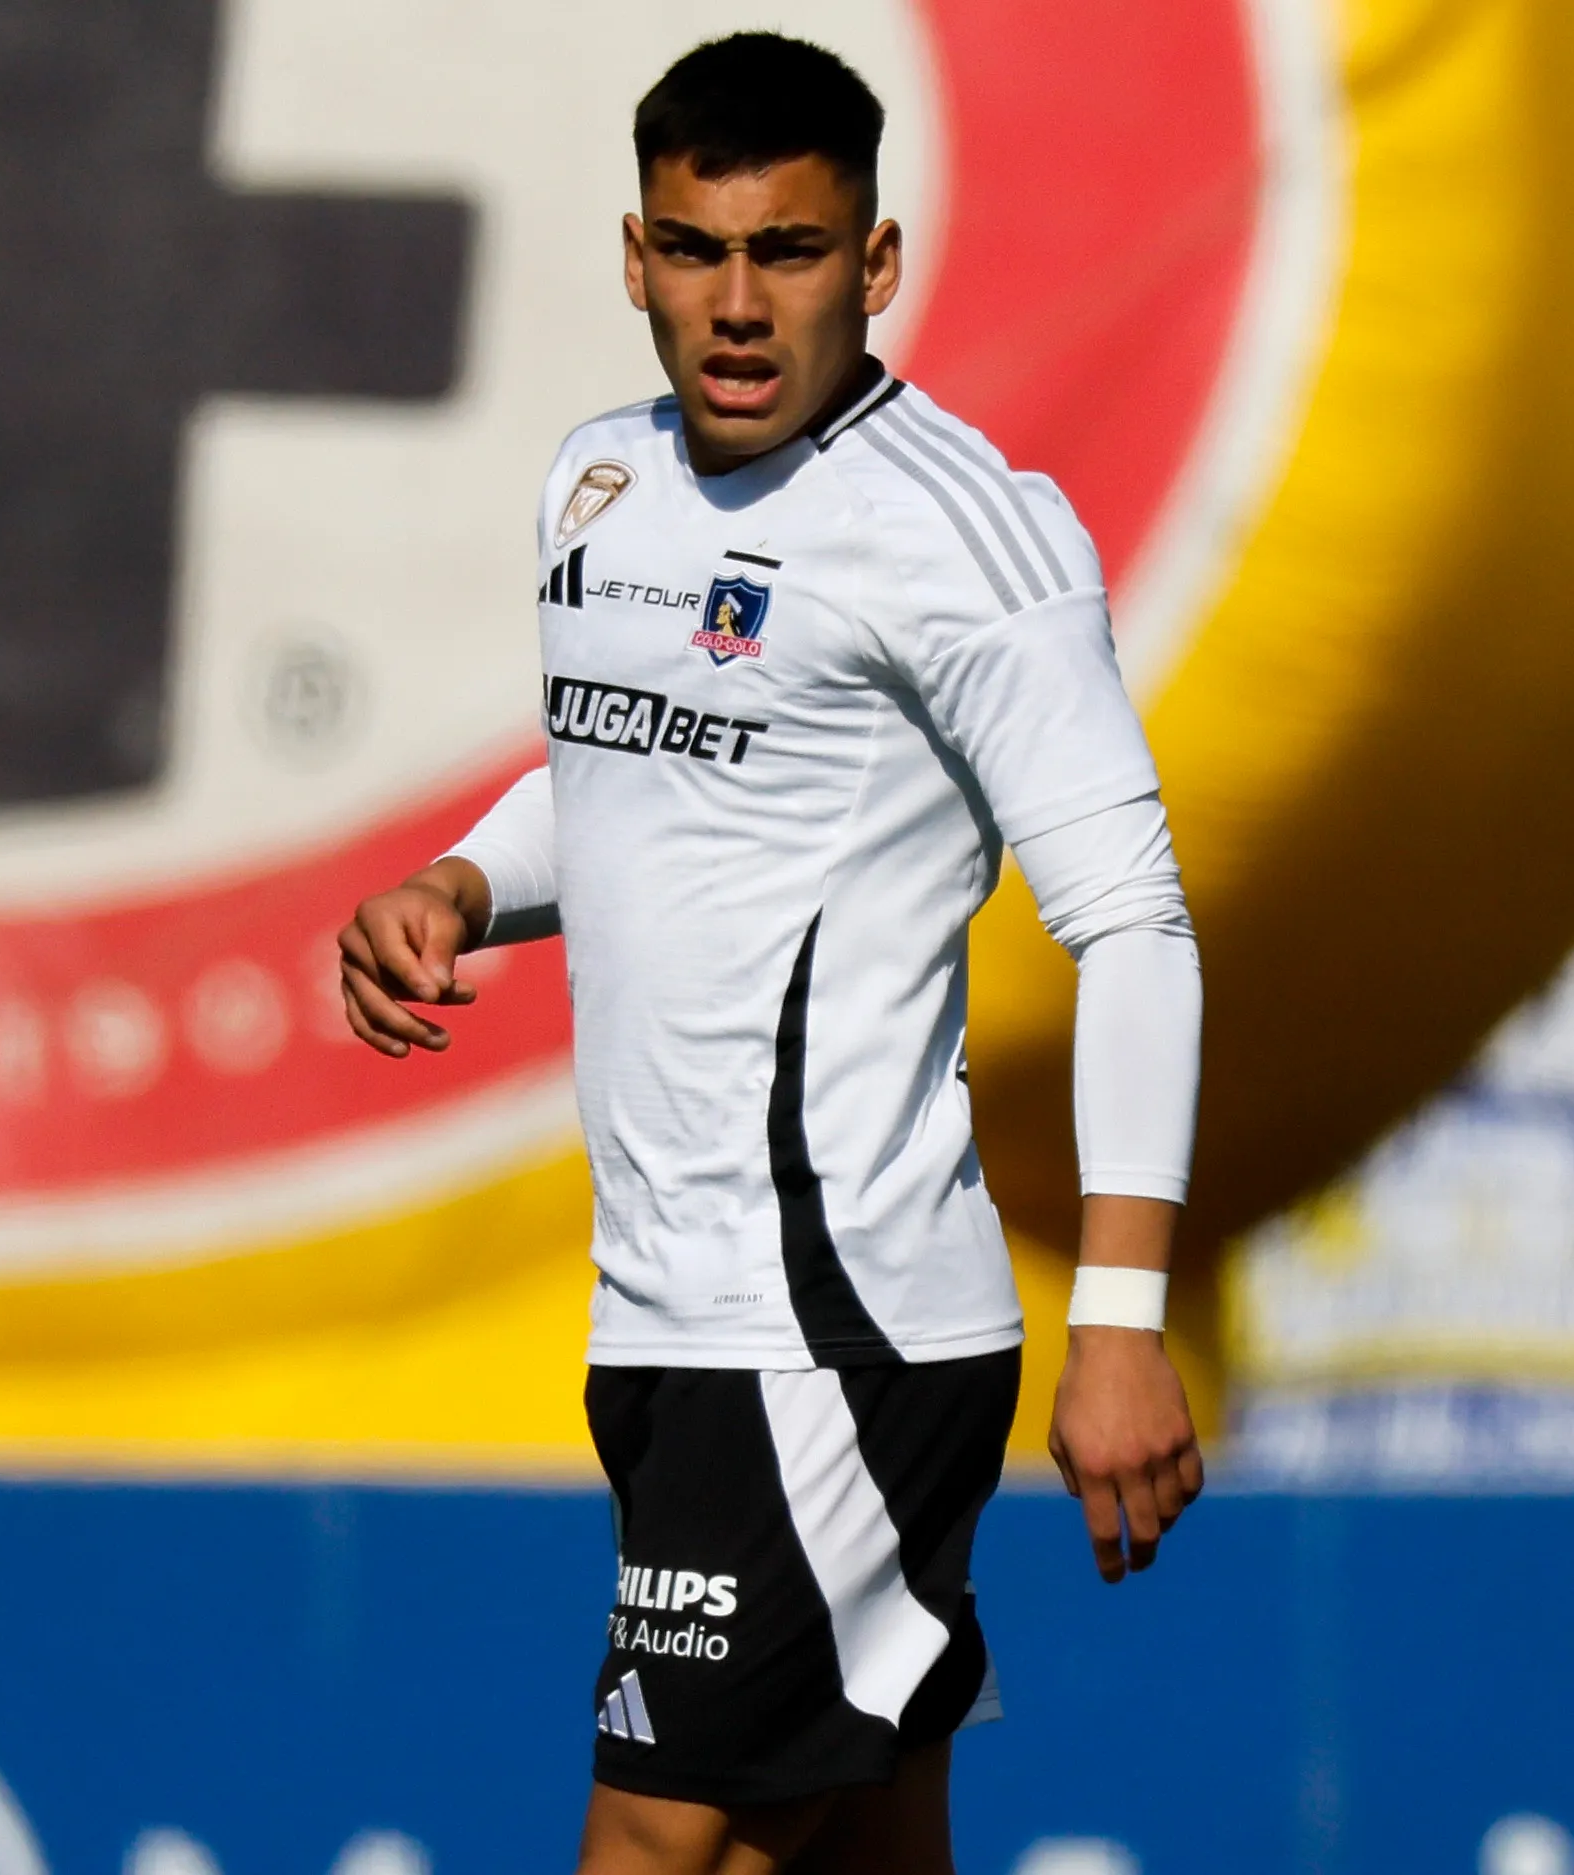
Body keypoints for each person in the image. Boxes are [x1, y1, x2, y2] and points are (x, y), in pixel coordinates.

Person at [335, 33, 1206, 1875]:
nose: (740, 305)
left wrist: (1121, 1318)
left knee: (662, 1841)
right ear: (635, 254)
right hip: (669, 1308)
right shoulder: (601, 482)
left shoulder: (962, 535)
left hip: (831, 1321)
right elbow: (625, 766)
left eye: (792, 253)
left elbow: (1131, 918)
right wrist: (467, 884)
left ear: (875, 265)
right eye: (696, 248)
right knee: (863, 1843)